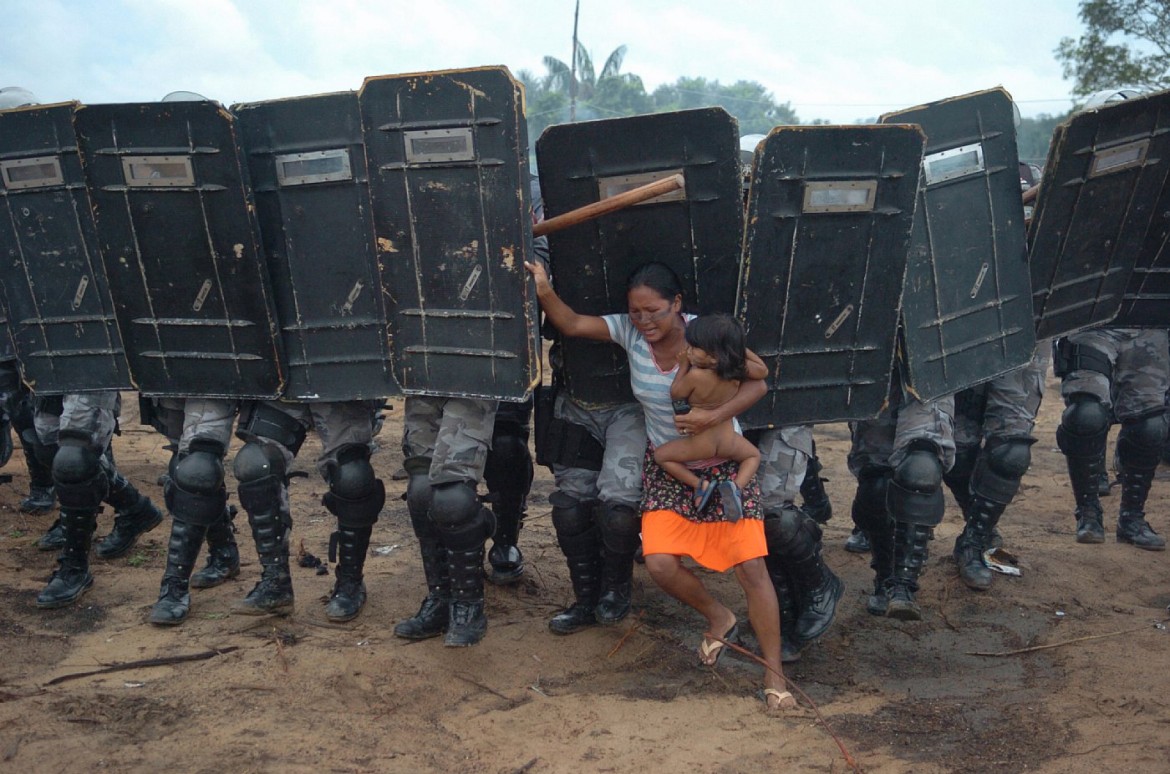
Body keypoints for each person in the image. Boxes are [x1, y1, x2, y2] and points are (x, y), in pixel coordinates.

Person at [527, 258, 795, 711]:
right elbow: (570, 323)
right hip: (669, 465)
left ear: (677, 304)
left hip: (724, 460)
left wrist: (713, 415)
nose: (645, 320)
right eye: (636, 312)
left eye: (654, 310)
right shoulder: (631, 333)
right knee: (660, 563)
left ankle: (776, 677)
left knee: (751, 569)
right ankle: (719, 617)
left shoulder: (705, 335)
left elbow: (759, 381)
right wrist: (543, 286)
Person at [226, 399, 385, 623]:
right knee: (255, 463)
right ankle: (275, 582)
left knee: (352, 476)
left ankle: (351, 581)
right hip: (280, 380)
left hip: (337, 382)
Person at [848, 367, 956, 621]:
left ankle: (903, 584)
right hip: (877, 360)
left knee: (922, 468)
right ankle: (885, 575)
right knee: (875, 484)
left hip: (929, 358)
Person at [944, 347, 1051, 588]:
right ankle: (978, 517)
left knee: (1011, 451)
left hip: (1025, 333)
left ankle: (973, 540)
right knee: (957, 446)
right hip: (963, 331)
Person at [653, 314, 763, 519]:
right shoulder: (737, 370)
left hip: (702, 444)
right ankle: (736, 487)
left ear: (714, 355)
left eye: (695, 348)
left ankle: (700, 485)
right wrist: (734, 348)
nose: (689, 351)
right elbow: (763, 370)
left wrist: (684, 364)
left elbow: (676, 393)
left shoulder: (696, 376)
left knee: (661, 456)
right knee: (753, 455)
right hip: (729, 441)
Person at [143, 397, 242, 625]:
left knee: (199, 467)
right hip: (165, 374)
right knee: (183, 463)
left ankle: (174, 586)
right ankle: (224, 550)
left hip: (213, 374)